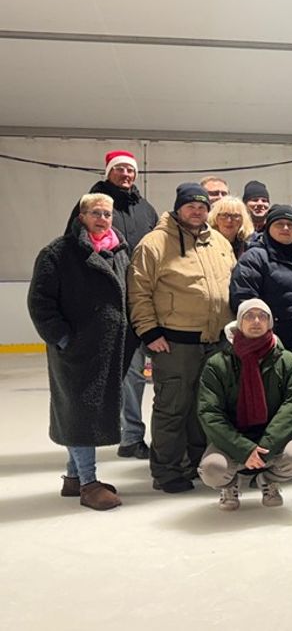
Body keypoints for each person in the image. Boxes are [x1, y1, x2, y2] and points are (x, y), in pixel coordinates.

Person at [127, 183, 236, 493]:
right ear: (178, 207)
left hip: (215, 341)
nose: (197, 210)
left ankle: (197, 461)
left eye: (202, 206)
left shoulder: (217, 241)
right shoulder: (155, 243)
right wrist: (149, 331)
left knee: (205, 407)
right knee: (173, 408)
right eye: (191, 205)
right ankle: (167, 470)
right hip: (175, 343)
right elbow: (138, 290)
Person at [29, 193, 130, 510]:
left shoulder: (118, 252)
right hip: (76, 352)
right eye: (96, 213)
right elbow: (40, 303)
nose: (103, 219)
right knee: (80, 413)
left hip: (109, 351)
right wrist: (62, 339)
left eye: (108, 214)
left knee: (82, 414)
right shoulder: (58, 253)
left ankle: (73, 480)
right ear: (81, 216)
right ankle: (89, 484)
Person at [65, 150, 159, 460]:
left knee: (149, 371)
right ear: (108, 172)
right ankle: (129, 435)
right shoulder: (92, 203)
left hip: (145, 300)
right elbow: (75, 249)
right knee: (128, 373)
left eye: (130, 170)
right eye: (119, 169)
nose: (126, 175)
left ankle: (157, 437)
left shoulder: (146, 210)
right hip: (109, 304)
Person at [197, 299, 292, 510]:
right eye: (249, 316)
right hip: (231, 439)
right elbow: (209, 412)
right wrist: (244, 449)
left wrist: (266, 446)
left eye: (262, 316)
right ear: (239, 323)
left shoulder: (288, 361)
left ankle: (268, 480)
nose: (256, 321)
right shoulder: (217, 363)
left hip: (271, 439)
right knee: (212, 469)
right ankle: (229, 486)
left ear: (270, 323)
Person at [229, 205, 292, 368]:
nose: (286, 228)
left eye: (291, 225)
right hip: (268, 351)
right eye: (279, 224)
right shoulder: (254, 258)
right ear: (269, 227)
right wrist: (262, 336)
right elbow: (243, 301)